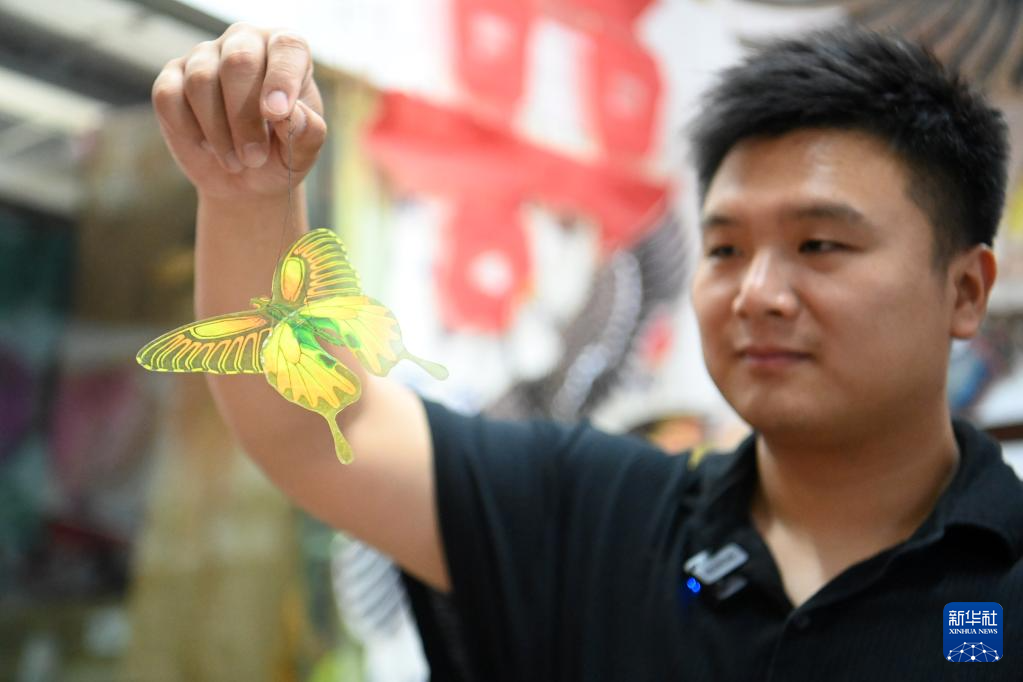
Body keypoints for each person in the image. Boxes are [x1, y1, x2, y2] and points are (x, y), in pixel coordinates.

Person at [152, 22, 1022, 680]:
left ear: (964, 290)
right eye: (724, 248)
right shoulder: (596, 518)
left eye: (819, 244)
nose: (755, 292)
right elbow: (321, 429)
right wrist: (247, 197)